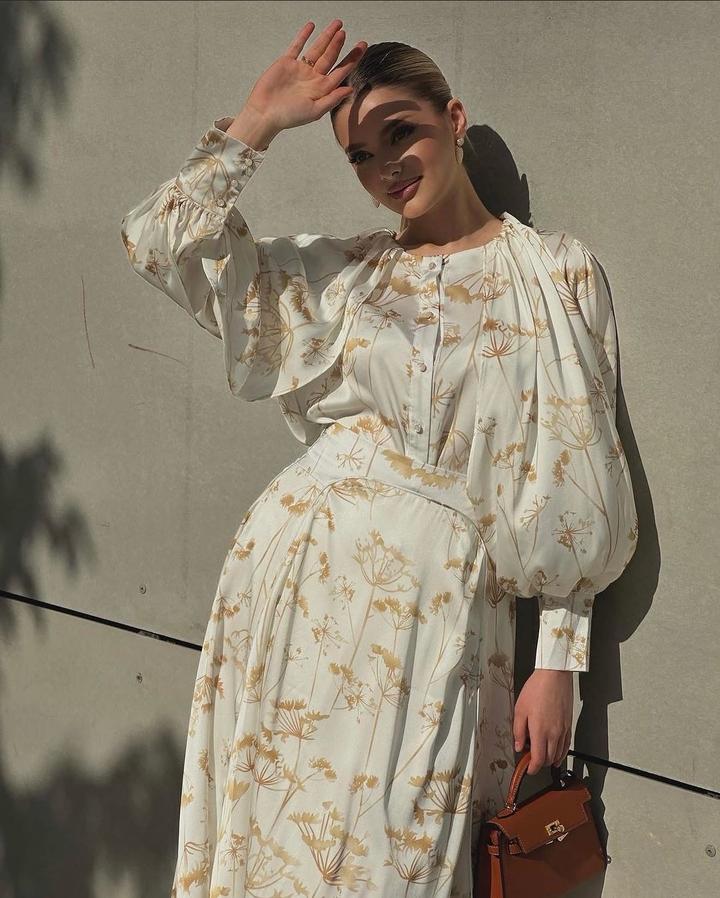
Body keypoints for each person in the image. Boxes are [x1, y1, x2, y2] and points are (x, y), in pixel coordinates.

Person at [120, 18, 638, 898]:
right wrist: (256, 123)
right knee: (274, 851)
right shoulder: (342, 277)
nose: (386, 166)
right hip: (295, 590)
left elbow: (573, 472)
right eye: (360, 155)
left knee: (395, 863)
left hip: (439, 609)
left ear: (454, 118)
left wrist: (558, 660)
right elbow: (161, 245)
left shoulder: (556, 275)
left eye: (401, 132)